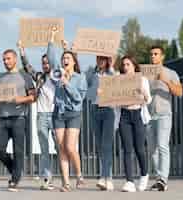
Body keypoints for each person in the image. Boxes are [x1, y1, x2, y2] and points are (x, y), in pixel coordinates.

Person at [0, 49, 35, 192]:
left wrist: (20, 99)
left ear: (15, 59)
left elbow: (33, 97)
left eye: (8, 59)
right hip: (3, 118)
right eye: (3, 60)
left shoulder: (25, 76)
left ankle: (14, 180)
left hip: (19, 118)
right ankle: (15, 170)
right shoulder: (0, 78)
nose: (5, 62)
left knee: (18, 151)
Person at [47, 28, 87, 192]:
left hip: (73, 114)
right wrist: (52, 37)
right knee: (61, 147)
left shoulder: (80, 78)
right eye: (63, 58)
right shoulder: (58, 72)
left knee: (70, 147)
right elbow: (51, 57)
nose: (64, 60)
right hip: (58, 113)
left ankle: (78, 175)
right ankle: (66, 183)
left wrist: (67, 84)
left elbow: (79, 98)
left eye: (68, 58)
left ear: (74, 62)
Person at [17, 40, 58, 190]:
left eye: (47, 63)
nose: (45, 65)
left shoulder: (57, 75)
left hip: (56, 116)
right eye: (43, 63)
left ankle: (66, 177)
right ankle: (47, 178)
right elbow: (28, 68)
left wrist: (53, 41)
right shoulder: (39, 77)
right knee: (44, 149)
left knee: (60, 147)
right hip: (41, 115)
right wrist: (22, 51)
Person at [148, 45, 183, 191]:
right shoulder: (146, 74)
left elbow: (179, 92)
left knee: (163, 146)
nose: (153, 56)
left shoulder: (171, 73)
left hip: (164, 114)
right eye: (151, 54)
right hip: (149, 116)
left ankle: (163, 179)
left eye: (156, 54)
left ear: (162, 56)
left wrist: (166, 81)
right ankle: (158, 178)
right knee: (152, 149)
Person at [119, 55, 152, 192]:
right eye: (124, 65)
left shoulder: (142, 80)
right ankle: (129, 181)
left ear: (134, 66)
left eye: (128, 64)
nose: (125, 67)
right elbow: (112, 98)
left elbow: (148, 100)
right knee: (127, 149)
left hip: (138, 114)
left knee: (140, 149)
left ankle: (144, 175)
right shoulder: (119, 80)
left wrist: (144, 94)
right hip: (124, 116)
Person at [87, 55, 118, 191]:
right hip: (95, 109)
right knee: (100, 146)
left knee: (106, 145)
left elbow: (117, 85)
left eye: (103, 59)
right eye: (98, 58)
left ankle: (105, 177)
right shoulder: (91, 74)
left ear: (107, 61)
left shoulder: (112, 73)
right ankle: (106, 177)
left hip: (108, 110)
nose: (100, 61)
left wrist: (111, 66)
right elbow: (85, 91)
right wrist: (94, 91)